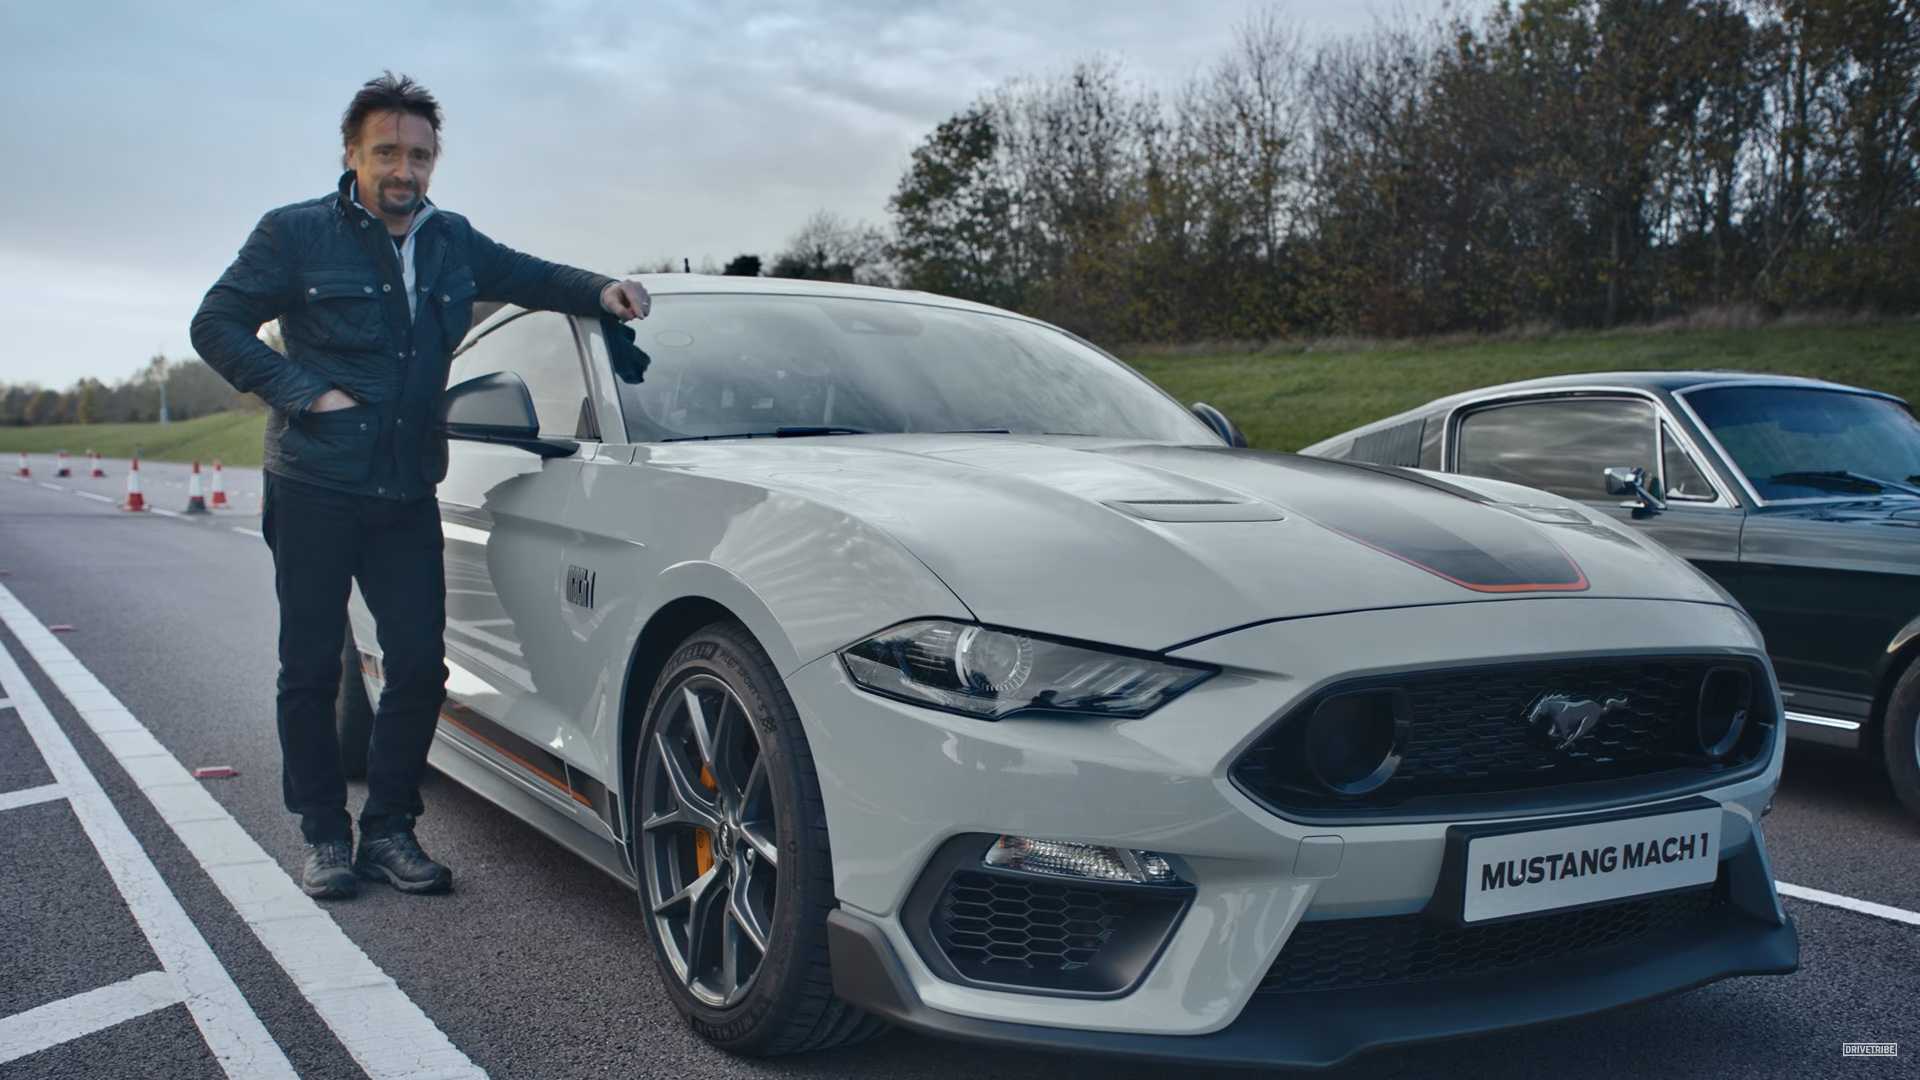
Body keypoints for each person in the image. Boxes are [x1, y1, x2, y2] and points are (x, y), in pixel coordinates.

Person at [190, 72, 649, 900]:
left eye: (421, 155)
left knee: (417, 665)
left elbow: (532, 275)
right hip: (315, 484)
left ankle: (391, 829)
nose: (405, 170)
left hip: (404, 491)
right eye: (388, 153)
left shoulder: (450, 240)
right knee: (307, 667)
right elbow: (213, 323)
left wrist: (600, 290)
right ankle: (324, 836)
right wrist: (302, 391)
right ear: (353, 155)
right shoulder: (293, 234)